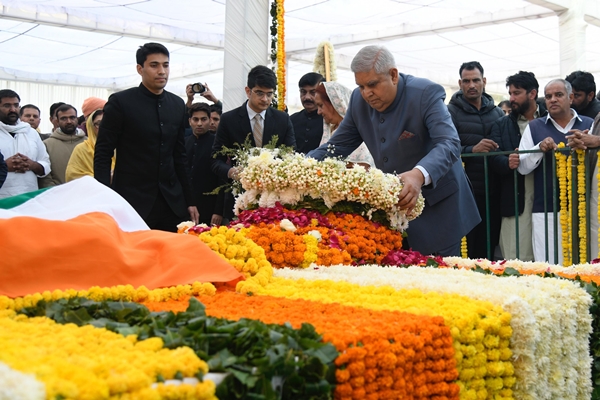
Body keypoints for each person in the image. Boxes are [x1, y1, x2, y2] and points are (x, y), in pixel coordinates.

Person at [308, 45, 480, 256]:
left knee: (441, 282)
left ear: (393, 75)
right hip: (395, 215)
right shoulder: (358, 101)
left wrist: (418, 175)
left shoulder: (424, 93)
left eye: (372, 84)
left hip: (440, 211)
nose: (367, 93)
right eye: (361, 86)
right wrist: (298, 165)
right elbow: (337, 146)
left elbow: (449, 142)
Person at [94, 42, 198, 231]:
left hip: (172, 202)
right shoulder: (121, 102)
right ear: (140, 69)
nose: (161, 71)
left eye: (165, 65)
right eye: (154, 65)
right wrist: (104, 199)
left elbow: (179, 157)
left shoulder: (176, 104)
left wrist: (190, 200)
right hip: (132, 202)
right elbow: (103, 153)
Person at [517, 79, 593, 263]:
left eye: (558, 95)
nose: (552, 100)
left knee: (585, 265)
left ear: (571, 97)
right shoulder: (534, 127)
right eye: (548, 96)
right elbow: (522, 167)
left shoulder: (590, 125)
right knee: (550, 266)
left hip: (585, 209)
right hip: (546, 209)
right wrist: (539, 148)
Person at [448, 61, 504, 259]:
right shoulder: (450, 113)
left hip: (494, 191)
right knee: (470, 250)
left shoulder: (497, 112)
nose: (471, 85)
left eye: (476, 80)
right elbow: (444, 148)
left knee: (492, 247)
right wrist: (473, 149)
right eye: (466, 81)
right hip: (465, 191)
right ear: (460, 83)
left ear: (484, 81)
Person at [489, 71, 546, 261]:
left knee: (547, 251)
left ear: (532, 94)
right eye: (510, 93)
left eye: (517, 93)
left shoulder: (549, 119)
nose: (511, 98)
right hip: (515, 198)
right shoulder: (501, 124)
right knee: (515, 256)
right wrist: (507, 162)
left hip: (545, 197)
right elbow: (492, 158)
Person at [211, 65, 296, 181]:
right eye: (260, 93)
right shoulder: (229, 119)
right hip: (239, 189)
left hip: (274, 189)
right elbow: (216, 159)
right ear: (248, 91)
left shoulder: (283, 119)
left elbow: (291, 153)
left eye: (269, 94)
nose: (265, 99)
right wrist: (231, 172)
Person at [0, 89, 50, 199]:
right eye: (7, 105)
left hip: (28, 196)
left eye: (16, 105)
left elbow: (45, 163)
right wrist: (3, 166)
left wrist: (32, 165)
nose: (13, 109)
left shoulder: (30, 132)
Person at [315, 81, 373, 166]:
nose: (318, 112)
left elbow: (364, 169)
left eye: (321, 105)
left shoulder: (353, 132)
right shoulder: (332, 129)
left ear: (334, 102)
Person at [185, 103, 222, 225]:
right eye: (196, 119)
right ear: (190, 121)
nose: (199, 123)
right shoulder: (183, 143)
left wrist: (218, 211)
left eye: (203, 119)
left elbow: (222, 180)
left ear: (210, 120)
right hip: (185, 207)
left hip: (209, 209)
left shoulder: (218, 144)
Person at [39, 104, 86, 187]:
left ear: (77, 119)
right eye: (64, 118)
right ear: (57, 121)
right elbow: (45, 177)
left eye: (72, 117)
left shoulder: (88, 143)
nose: (69, 121)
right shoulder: (46, 145)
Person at [66, 109, 113, 182]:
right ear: (91, 126)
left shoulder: (121, 147)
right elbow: (72, 176)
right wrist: (104, 177)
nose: (104, 127)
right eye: (99, 123)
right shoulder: (82, 149)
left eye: (108, 123)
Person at [290, 72, 325, 153]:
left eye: (313, 92)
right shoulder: (292, 120)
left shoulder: (329, 121)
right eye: (303, 92)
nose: (307, 97)